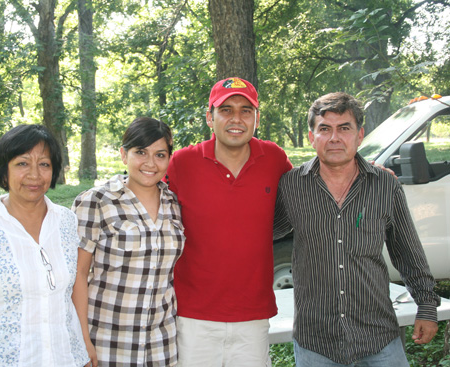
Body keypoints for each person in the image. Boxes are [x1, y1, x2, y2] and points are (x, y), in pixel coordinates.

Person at [273, 92, 441, 366]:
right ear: (311, 137)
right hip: (316, 342)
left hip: (379, 339)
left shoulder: (385, 186)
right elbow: (261, 233)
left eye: (344, 128)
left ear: (360, 135)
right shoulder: (291, 187)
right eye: (324, 129)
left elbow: (408, 252)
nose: (334, 138)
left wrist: (426, 306)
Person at [0, 124, 92, 367]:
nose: (35, 175)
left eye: (44, 164)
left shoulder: (66, 221)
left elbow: (71, 292)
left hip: (65, 359)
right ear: (3, 171)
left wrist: (82, 347)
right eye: (22, 163)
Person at [166, 77, 292, 366]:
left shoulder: (273, 158)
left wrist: (356, 171)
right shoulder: (182, 163)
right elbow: (145, 197)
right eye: (226, 110)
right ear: (210, 117)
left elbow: (313, 185)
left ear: (256, 118)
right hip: (193, 315)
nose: (236, 119)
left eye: (246, 110)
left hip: (253, 315)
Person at [71, 117, 185, 366]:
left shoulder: (174, 204)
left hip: (162, 344)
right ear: (124, 155)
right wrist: (82, 339)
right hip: (108, 342)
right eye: (140, 152)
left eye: (160, 154)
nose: (150, 163)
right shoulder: (96, 201)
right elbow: (78, 275)